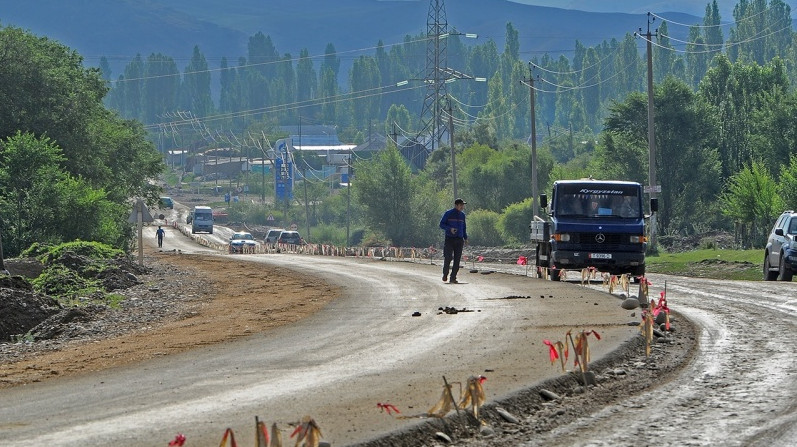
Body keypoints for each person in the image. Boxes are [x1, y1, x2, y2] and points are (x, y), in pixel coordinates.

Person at [439, 198, 468, 284]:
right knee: (448, 257)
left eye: (463, 205)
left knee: (457, 259)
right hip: (449, 239)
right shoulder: (448, 213)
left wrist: (465, 238)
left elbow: (464, 228)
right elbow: (441, 224)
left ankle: (453, 277)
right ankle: (445, 274)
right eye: (461, 205)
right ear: (456, 205)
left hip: (459, 239)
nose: (462, 207)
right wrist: (449, 229)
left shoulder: (462, 215)